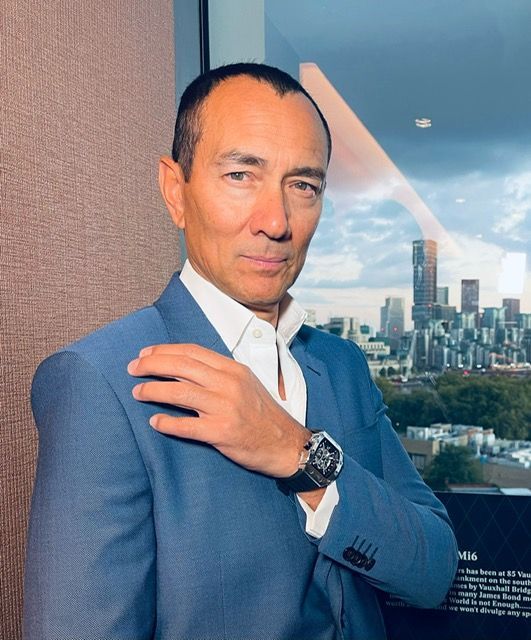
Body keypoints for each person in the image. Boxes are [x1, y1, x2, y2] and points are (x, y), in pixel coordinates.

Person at [24, 63, 458, 640]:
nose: (276, 221)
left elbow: (433, 570)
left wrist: (300, 454)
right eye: (240, 175)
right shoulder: (100, 383)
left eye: (303, 186)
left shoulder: (343, 365)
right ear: (175, 191)